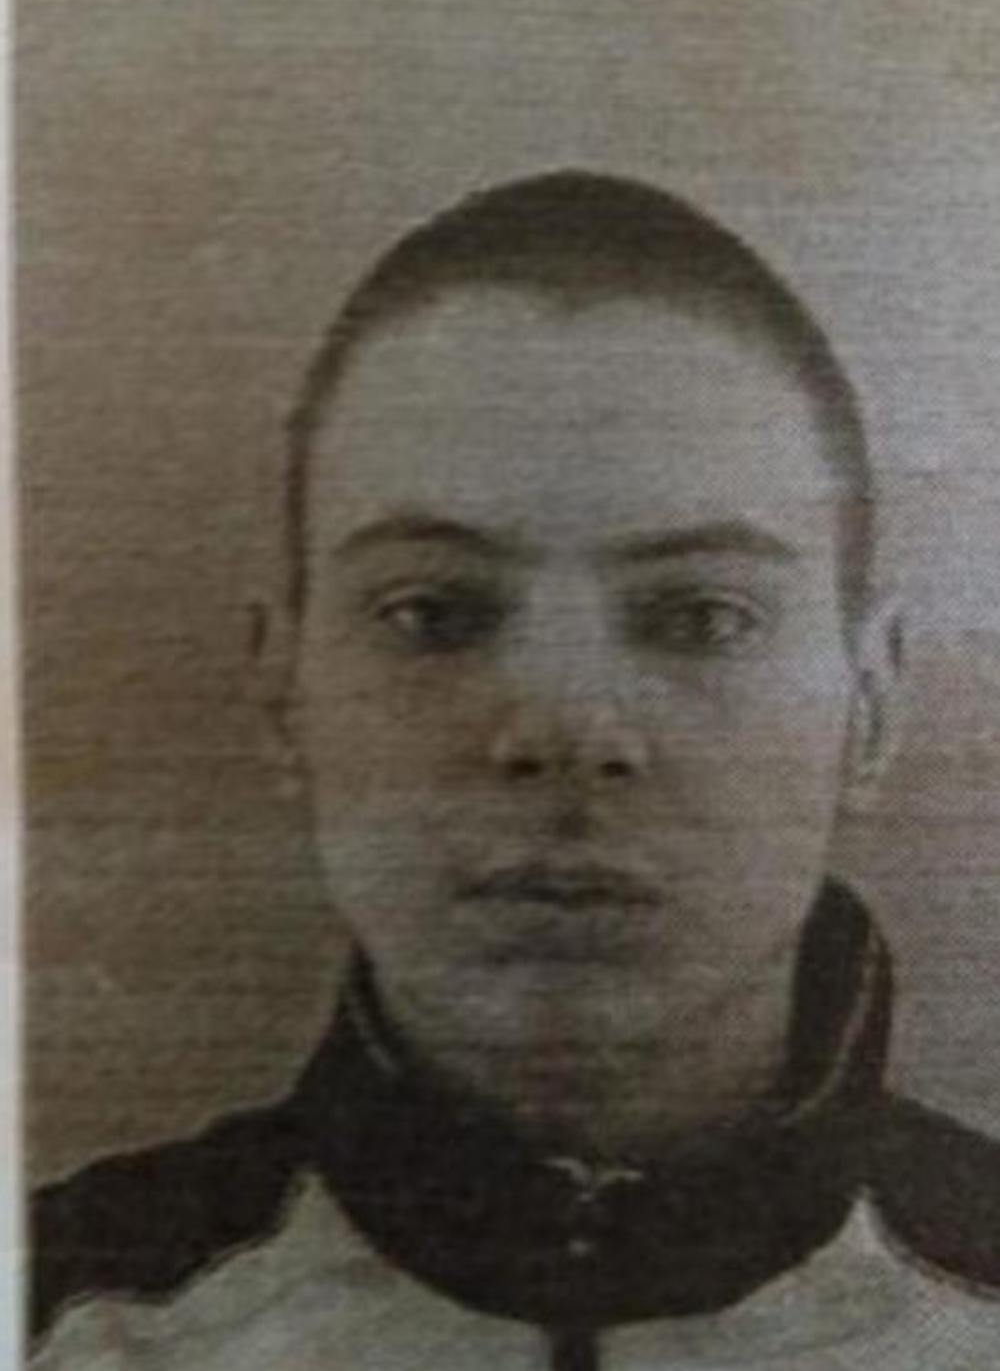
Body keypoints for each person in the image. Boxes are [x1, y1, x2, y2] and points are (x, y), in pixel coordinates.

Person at [30, 172, 1000, 1370]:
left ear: (872, 705)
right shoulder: (63, 1314)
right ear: (282, 692)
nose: (565, 730)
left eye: (701, 617)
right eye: (433, 613)